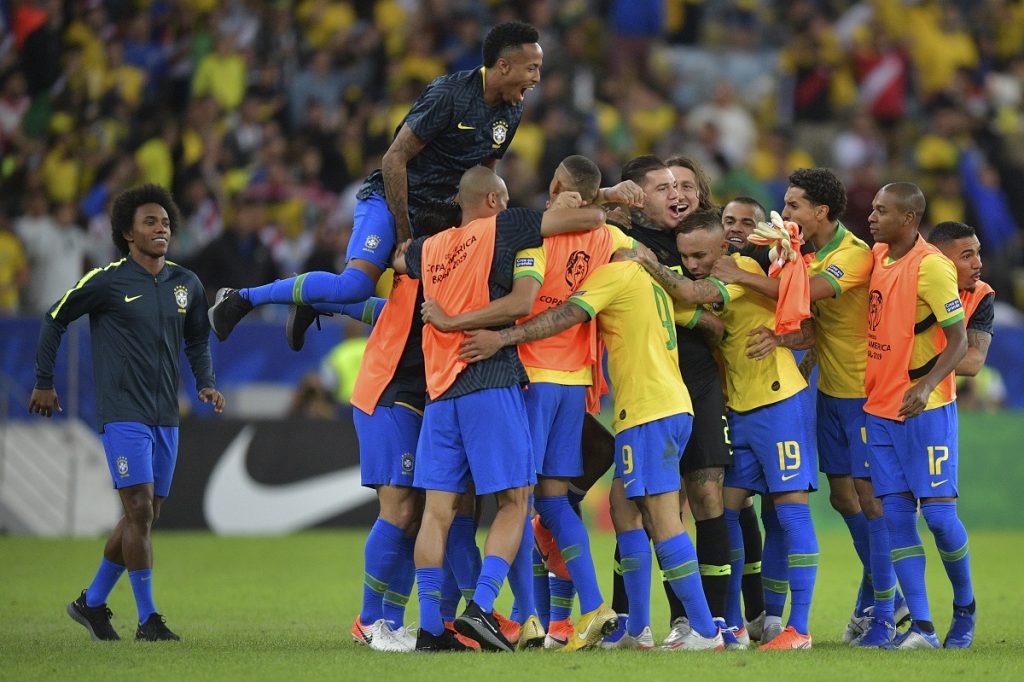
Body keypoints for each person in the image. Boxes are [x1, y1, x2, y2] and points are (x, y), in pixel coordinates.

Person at [418, 156, 645, 651]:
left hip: (527, 378)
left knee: (511, 500)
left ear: (556, 185)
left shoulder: (530, 237)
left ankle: (526, 616)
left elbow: (523, 300)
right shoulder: (611, 240)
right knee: (552, 501)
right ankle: (593, 607)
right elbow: (641, 259)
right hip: (578, 381)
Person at [458, 245, 726, 653]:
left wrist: (505, 336)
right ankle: (637, 629)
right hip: (669, 406)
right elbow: (708, 322)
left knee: (662, 517)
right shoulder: (653, 285)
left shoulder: (616, 274)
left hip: (648, 409)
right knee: (623, 506)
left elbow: (568, 314)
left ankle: (706, 631)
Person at [207, 21, 544, 340]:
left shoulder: (512, 111)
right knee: (355, 287)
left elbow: (484, 176)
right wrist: (404, 234)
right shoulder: (450, 95)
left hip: (437, 217)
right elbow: (394, 159)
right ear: (503, 66)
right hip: (390, 200)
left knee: (425, 314)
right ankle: (240, 298)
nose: (537, 78)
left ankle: (316, 299)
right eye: (531, 68)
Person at [711, 168, 907, 646]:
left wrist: (736, 272)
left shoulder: (852, 256)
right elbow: (807, 323)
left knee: (871, 503)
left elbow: (806, 296)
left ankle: (886, 606)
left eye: (794, 205)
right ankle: (884, 595)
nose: (787, 212)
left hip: (867, 393)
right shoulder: (801, 251)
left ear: (821, 212)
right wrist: (784, 336)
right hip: (829, 392)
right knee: (844, 501)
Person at [28, 184, 224, 642]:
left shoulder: (186, 284)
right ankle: (148, 619)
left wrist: (206, 382)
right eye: (150, 222)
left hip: (165, 415)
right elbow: (54, 317)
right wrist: (43, 381)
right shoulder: (106, 281)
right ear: (127, 234)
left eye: (166, 223)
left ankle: (91, 603)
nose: (162, 230)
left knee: (145, 515)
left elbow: (196, 340)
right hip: (123, 413)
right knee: (137, 508)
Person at [630, 209, 819, 650]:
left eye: (700, 254)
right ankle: (732, 624)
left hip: (778, 404)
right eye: (685, 256)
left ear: (722, 248)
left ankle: (799, 628)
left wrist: (645, 261)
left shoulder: (743, 268)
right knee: (727, 510)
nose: (693, 263)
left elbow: (691, 291)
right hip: (739, 408)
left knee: (790, 511)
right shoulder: (726, 277)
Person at [605, 155, 736, 648]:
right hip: (647, 384)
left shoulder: (706, 244)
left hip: (696, 381)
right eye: (665, 187)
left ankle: (714, 621)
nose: (676, 193)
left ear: (700, 194)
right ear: (640, 198)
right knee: (637, 502)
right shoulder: (625, 240)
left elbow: (715, 311)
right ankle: (630, 619)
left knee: (706, 498)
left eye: (685, 184)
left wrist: (674, 301)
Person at [863, 183, 973, 649]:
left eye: (881, 211)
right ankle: (923, 627)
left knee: (940, 518)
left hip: (925, 411)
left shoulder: (931, 267)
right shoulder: (878, 257)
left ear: (908, 219)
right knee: (897, 518)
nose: (871, 216)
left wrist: (926, 386)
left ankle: (965, 608)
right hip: (880, 409)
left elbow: (960, 341)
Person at [927, 221, 994, 378]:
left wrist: (917, 369)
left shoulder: (981, 294)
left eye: (978, 253)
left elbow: (974, 361)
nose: (978, 263)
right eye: (967, 256)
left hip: (941, 396)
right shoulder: (910, 283)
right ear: (940, 261)